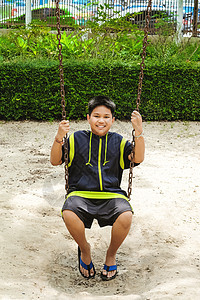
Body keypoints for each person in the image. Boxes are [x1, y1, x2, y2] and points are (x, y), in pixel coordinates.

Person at [50, 96, 145, 281]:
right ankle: (85, 250)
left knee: (126, 215)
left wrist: (138, 131)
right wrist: (59, 137)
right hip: (80, 194)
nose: (101, 120)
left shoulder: (119, 141)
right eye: (96, 116)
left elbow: (137, 158)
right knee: (68, 212)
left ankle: (111, 254)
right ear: (88, 118)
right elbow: (55, 161)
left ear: (113, 120)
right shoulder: (76, 138)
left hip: (112, 195)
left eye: (106, 117)